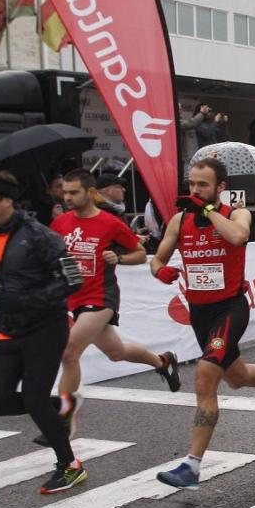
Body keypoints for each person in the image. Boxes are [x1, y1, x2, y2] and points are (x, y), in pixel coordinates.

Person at [151, 158, 255, 489]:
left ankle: (191, 466)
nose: (195, 190)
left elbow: (238, 237)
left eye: (203, 185)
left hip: (230, 309)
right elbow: (157, 258)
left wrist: (207, 211)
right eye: (192, 184)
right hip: (200, 313)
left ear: (220, 188)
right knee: (237, 377)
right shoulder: (180, 220)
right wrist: (159, 270)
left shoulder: (237, 214)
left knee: (205, 377)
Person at [0, 171, 86, 493]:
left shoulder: (38, 235)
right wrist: (2, 316)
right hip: (11, 328)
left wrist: (27, 300)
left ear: (6, 201)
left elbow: (74, 279)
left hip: (45, 327)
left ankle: (70, 465)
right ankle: (60, 406)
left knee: (34, 399)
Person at [48, 170, 180, 443]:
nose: (68, 197)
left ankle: (65, 414)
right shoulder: (60, 223)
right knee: (116, 352)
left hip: (101, 298)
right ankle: (162, 361)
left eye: (74, 192)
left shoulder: (110, 223)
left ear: (91, 192)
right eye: (65, 192)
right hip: (73, 298)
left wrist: (117, 259)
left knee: (69, 352)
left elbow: (140, 253)